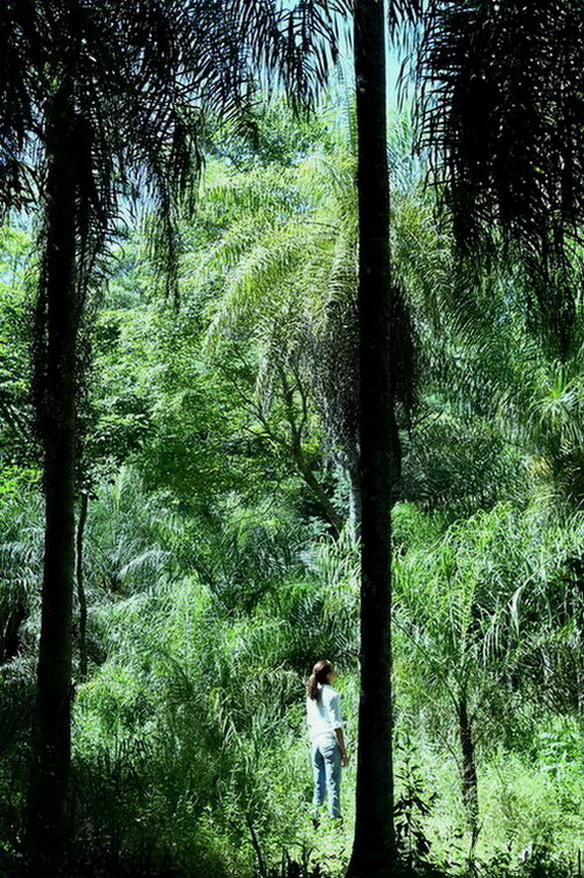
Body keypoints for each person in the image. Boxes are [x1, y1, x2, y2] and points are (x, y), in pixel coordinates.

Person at [306, 659, 349, 825]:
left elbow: (309, 722)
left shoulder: (311, 695)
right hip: (329, 741)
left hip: (315, 741)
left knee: (319, 782)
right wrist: (344, 752)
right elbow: (336, 726)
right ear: (329, 675)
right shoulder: (332, 695)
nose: (335, 673)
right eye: (334, 670)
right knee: (333, 783)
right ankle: (334, 820)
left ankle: (315, 818)